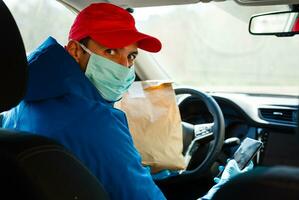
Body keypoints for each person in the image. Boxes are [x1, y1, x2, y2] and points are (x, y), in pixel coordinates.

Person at [2, 3, 251, 200]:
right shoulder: (96, 120)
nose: (124, 67)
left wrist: (145, 172)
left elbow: (92, 166)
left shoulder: (22, 100)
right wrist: (223, 189)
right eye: (110, 51)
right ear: (75, 50)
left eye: (131, 55)